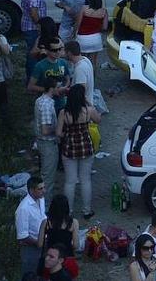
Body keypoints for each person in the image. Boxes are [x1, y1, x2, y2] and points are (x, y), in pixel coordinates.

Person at [56, 84, 98, 220]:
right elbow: (99, 119)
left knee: (70, 181)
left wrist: (67, 135)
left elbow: (58, 133)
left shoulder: (64, 113)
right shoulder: (88, 110)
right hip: (86, 147)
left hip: (69, 149)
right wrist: (89, 102)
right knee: (85, 180)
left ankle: (69, 211)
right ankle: (87, 210)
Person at [16, 177, 48, 281]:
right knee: (30, 274)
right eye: (40, 189)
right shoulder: (23, 209)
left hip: (42, 243)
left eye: (44, 187)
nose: (44, 191)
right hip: (30, 248)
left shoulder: (41, 199)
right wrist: (39, 243)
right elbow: (23, 235)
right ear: (31, 190)